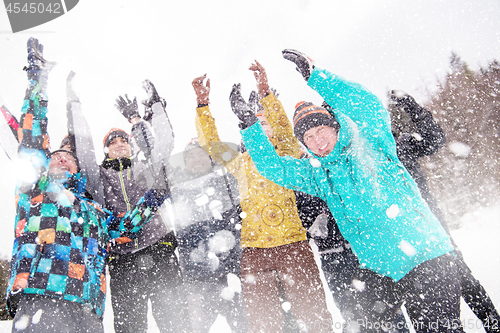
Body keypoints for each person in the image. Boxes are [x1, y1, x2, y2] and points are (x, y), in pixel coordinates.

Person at [236, 49, 465, 333]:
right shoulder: (318, 175)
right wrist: (250, 128)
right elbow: (274, 168)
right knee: (365, 327)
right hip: (381, 270)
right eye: (309, 138)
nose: (318, 142)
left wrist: (316, 77)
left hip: (427, 257)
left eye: (321, 131)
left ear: (335, 127)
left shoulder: (371, 145)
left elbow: (368, 106)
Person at [6, 37, 169, 333]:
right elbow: (32, 136)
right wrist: (37, 80)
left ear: (79, 169)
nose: (63, 159)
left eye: (69, 157)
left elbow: (126, 228)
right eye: (56, 157)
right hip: (43, 297)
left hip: (89, 308)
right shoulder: (37, 189)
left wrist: (156, 195)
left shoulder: (94, 209)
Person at [192, 69, 333, 333]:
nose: (260, 126)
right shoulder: (239, 162)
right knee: (263, 322)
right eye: (254, 123)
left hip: (294, 245)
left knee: (315, 316)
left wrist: (265, 92)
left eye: (264, 122)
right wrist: (202, 105)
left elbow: (282, 126)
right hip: (255, 251)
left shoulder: (287, 153)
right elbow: (210, 144)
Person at [390, 91, 500, 333]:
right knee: (421, 298)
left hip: (432, 224)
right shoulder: (363, 157)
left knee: (465, 280)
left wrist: (413, 109)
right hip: (400, 239)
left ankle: (494, 325)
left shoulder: (399, 143)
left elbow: (434, 139)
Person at [100, 84, 189, 333]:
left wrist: (140, 118)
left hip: (160, 251)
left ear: (132, 145)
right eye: (113, 142)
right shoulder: (99, 177)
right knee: (130, 327)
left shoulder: (145, 169)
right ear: (105, 149)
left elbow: (162, 146)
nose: (119, 145)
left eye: (124, 141)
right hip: (122, 261)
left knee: (176, 323)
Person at [169, 138, 248, 333]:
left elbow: (241, 218)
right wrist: (199, 252)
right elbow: (183, 234)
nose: (196, 159)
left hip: (233, 270)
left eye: (201, 154)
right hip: (198, 276)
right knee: (194, 327)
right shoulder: (179, 191)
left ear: (210, 157)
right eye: (191, 156)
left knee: (245, 325)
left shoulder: (227, 180)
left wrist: (229, 239)